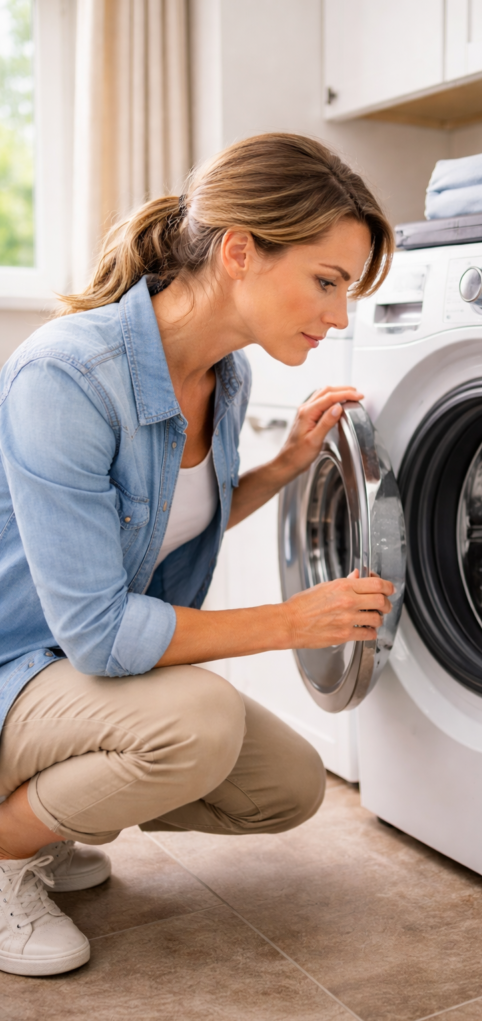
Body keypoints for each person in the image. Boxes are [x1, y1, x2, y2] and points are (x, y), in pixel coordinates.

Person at [0, 133, 395, 977]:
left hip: (76, 675)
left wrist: (283, 467)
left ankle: (46, 822)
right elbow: (101, 634)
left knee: (286, 785)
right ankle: (4, 851)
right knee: (197, 725)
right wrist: (290, 622)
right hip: (18, 667)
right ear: (241, 252)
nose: (337, 316)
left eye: (348, 291)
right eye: (326, 282)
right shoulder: (67, 375)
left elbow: (171, 526)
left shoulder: (228, 375)